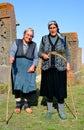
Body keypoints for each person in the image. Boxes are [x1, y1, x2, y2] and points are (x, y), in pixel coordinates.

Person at [38, 20, 71, 119]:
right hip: (47, 68)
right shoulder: (44, 39)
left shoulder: (63, 39)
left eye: (54, 27)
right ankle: (49, 111)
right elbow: (39, 52)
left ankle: (61, 111)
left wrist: (68, 63)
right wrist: (42, 54)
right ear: (49, 29)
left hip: (60, 68)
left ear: (57, 28)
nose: (52, 29)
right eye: (50, 28)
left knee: (60, 90)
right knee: (49, 91)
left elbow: (67, 53)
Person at [9, 28, 38, 114]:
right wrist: (11, 57)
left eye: (31, 36)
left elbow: (36, 57)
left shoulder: (34, 45)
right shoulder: (17, 42)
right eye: (27, 35)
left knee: (27, 86)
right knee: (17, 86)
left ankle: (26, 105)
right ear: (24, 34)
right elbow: (12, 51)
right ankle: (18, 106)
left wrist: (33, 66)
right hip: (17, 68)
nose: (29, 37)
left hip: (29, 68)